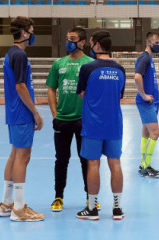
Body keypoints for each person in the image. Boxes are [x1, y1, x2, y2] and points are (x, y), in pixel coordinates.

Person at [46, 27, 100, 212]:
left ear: (83, 42)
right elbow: (51, 89)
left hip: (83, 121)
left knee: (86, 160)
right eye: (67, 38)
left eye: (73, 39)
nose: (69, 42)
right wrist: (54, 114)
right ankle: (58, 196)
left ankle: (89, 198)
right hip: (62, 120)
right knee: (61, 159)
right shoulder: (58, 64)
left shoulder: (90, 64)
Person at [0, 16, 45, 222]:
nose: (33, 34)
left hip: (13, 112)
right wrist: (35, 112)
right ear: (24, 33)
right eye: (32, 31)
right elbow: (20, 86)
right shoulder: (19, 56)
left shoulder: (11, 53)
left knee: (15, 155)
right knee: (23, 157)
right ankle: (18, 208)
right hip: (22, 113)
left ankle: (7, 204)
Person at [75, 30, 126, 220]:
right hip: (114, 125)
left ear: (96, 45)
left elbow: (81, 93)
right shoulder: (121, 70)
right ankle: (118, 208)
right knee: (115, 163)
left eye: (90, 43)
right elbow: (119, 95)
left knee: (93, 164)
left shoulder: (87, 68)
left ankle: (92, 209)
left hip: (93, 125)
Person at [135, 32, 159, 178]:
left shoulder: (148, 59)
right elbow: (137, 77)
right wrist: (143, 95)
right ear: (148, 43)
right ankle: (146, 166)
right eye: (156, 43)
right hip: (146, 103)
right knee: (155, 133)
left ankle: (143, 163)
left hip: (151, 102)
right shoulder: (144, 58)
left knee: (146, 132)